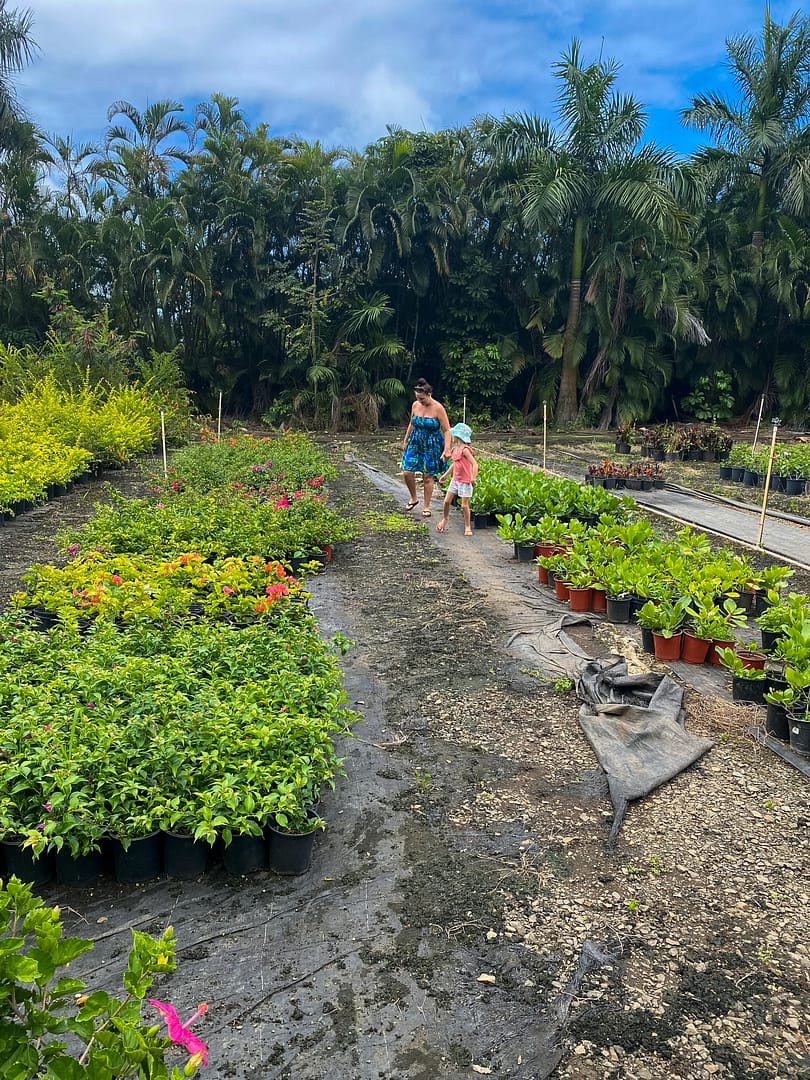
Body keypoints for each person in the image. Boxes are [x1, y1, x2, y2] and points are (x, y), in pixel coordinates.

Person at [401, 379, 451, 516]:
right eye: (418, 398)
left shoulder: (438, 408)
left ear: (429, 394)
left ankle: (427, 506)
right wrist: (405, 440)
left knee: (427, 475)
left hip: (431, 444)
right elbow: (411, 423)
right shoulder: (415, 405)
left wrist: (447, 448)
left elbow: (447, 430)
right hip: (415, 441)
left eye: (422, 399)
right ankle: (413, 498)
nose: (420, 401)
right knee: (406, 471)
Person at [436, 422, 478, 536]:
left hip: (465, 481)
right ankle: (444, 519)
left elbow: (475, 464)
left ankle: (468, 526)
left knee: (464, 505)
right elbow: (454, 464)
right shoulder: (455, 450)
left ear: (458, 436)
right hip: (455, 480)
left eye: (454, 435)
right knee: (446, 501)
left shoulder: (465, 450)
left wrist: (473, 478)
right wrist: (445, 475)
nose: (452, 437)